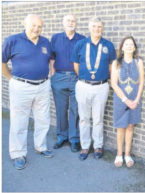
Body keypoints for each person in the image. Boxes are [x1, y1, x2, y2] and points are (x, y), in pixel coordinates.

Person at [2, 14, 54, 170]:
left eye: (39, 26)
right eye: (33, 25)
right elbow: (2, 62)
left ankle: (41, 146)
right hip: (21, 86)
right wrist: (11, 79)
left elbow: (50, 59)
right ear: (24, 24)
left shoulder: (45, 42)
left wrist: (50, 74)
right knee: (19, 121)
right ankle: (18, 153)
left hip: (43, 85)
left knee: (43, 118)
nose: (36, 29)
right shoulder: (12, 40)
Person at [71, 17, 116, 161]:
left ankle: (98, 145)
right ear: (89, 28)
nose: (97, 29)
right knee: (84, 118)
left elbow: (111, 67)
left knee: (98, 119)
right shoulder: (81, 44)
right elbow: (76, 65)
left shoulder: (108, 45)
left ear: (102, 28)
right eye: (94, 26)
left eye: (100, 27)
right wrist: (86, 78)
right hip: (83, 85)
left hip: (101, 86)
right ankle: (85, 146)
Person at [50, 15, 85, 152]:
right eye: (68, 21)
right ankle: (61, 136)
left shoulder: (82, 39)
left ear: (76, 24)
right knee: (60, 109)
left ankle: (74, 139)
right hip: (59, 77)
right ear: (63, 23)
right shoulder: (56, 38)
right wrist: (53, 75)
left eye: (73, 21)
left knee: (75, 109)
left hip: (76, 78)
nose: (71, 23)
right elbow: (52, 58)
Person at [111, 36, 144, 168]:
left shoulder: (138, 62)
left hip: (135, 100)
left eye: (131, 44)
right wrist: (125, 100)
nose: (129, 46)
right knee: (121, 127)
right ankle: (119, 154)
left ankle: (127, 154)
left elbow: (141, 82)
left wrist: (136, 100)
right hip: (120, 100)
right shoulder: (116, 63)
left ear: (134, 47)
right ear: (122, 47)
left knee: (130, 126)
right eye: (126, 44)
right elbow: (114, 83)